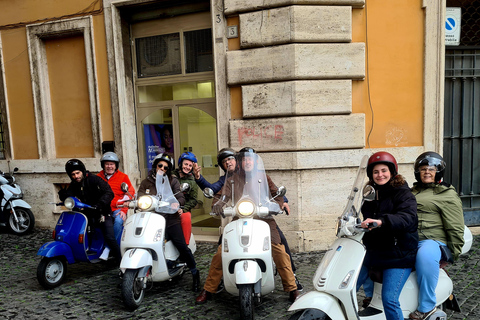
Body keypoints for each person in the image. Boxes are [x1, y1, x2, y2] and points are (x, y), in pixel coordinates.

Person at [195, 147, 300, 304]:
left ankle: (292, 289)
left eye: (250, 159)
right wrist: (216, 204)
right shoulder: (231, 178)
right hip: (239, 218)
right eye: (244, 159)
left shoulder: (263, 177)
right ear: (240, 162)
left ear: (255, 161)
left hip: (264, 219)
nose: (247, 161)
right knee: (221, 252)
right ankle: (208, 289)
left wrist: (278, 204)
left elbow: (277, 193)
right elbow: (221, 195)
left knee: (279, 250)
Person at [356, 151, 418, 320]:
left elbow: (408, 218)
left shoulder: (404, 194)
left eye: (384, 170)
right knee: (348, 286)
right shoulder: (370, 194)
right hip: (375, 251)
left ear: (392, 172)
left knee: (389, 299)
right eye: (376, 172)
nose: (380, 175)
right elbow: (365, 217)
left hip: (399, 253)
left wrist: (382, 221)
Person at [408, 152, 465, 320]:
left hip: (432, 240)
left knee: (425, 255)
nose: (427, 172)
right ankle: (372, 297)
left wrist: (453, 253)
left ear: (438, 172)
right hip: (410, 238)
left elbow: (455, 225)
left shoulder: (446, 194)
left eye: (431, 169)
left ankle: (426, 307)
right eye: (423, 169)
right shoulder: (412, 191)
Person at [138, 153, 201, 292]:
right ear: (155, 166)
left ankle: (195, 273)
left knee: (181, 244)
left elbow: (180, 196)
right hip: (151, 217)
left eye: (166, 167)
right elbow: (140, 196)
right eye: (160, 165)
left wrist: (177, 203)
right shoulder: (146, 182)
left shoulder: (173, 181)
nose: (162, 169)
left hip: (169, 217)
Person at [59, 159, 122, 265]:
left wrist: (99, 204)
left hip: (102, 212)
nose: (76, 176)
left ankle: (121, 261)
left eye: (78, 173)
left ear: (82, 171)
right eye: (73, 174)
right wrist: (63, 195)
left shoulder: (94, 180)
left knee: (109, 237)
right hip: (86, 213)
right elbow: (69, 194)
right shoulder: (74, 184)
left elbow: (109, 193)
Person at [97, 152, 135, 260]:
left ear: (116, 165)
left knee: (118, 221)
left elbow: (130, 193)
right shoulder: (98, 177)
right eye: (107, 164)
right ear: (103, 165)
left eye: (112, 164)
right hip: (103, 208)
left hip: (117, 208)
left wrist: (124, 210)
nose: (109, 166)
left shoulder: (123, 177)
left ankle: (108, 248)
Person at [173, 152, 198, 244]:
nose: (187, 167)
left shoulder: (192, 181)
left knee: (186, 218)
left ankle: (185, 244)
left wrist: (183, 209)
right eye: (185, 164)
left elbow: (194, 200)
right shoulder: (171, 175)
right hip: (167, 205)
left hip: (183, 207)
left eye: (190, 166)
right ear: (180, 164)